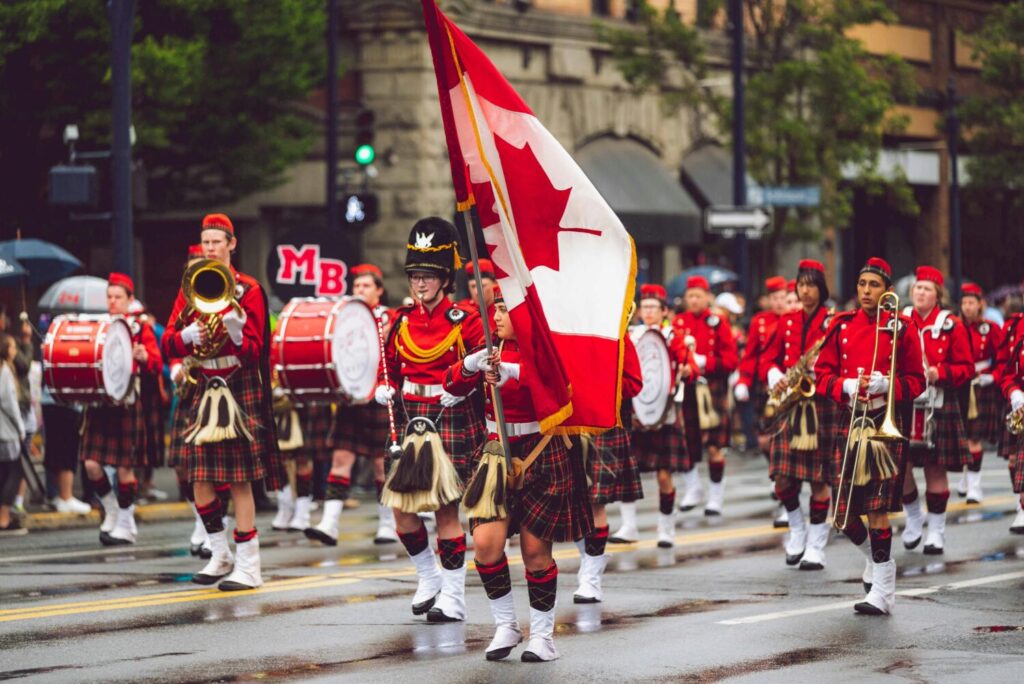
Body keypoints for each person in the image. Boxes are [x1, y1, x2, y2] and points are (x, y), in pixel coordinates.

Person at [444, 285, 593, 662]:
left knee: (534, 553)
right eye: (495, 309)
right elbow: (451, 385)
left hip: (540, 452)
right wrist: (469, 366)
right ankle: (506, 625)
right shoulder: (489, 349)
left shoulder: (545, 350)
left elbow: (560, 390)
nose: (496, 317)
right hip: (495, 453)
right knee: (486, 546)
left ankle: (543, 637)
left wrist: (512, 372)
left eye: (504, 310)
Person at [162, 213, 284, 590]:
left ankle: (250, 565)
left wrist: (234, 328)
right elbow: (166, 340)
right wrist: (185, 337)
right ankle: (220, 553)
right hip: (202, 383)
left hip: (235, 383)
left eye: (217, 241)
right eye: (205, 242)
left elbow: (254, 350)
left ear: (232, 244)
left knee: (240, 480)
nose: (210, 248)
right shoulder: (190, 286)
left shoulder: (248, 289)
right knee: (198, 477)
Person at [375, 217, 485, 621]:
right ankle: (428, 576)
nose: (420, 285)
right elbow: (389, 365)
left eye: (428, 276)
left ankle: (454, 597)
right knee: (401, 510)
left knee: (444, 512)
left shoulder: (466, 319)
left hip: (448, 417)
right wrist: (381, 386)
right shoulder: (401, 321)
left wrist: (464, 382)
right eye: (415, 276)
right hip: (410, 418)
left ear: (444, 278)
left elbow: (483, 367)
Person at [814, 257, 925, 615]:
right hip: (850, 419)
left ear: (887, 291)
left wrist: (888, 384)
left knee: (878, 509)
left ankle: (883, 589)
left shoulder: (903, 327)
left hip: (884, 424)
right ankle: (878, 564)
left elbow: (918, 381)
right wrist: (845, 384)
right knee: (844, 516)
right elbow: (820, 376)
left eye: (873, 285)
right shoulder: (841, 326)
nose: (865, 291)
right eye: (862, 284)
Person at [307, 263, 398, 545]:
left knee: (381, 466)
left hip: (380, 397)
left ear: (379, 291)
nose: (360, 290)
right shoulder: (344, 318)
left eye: (366, 286)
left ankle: (387, 524)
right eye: (356, 286)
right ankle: (329, 523)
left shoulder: (391, 318)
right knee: (341, 459)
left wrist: (387, 380)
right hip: (352, 398)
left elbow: (396, 357)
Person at [760, 260, 836, 569]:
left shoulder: (833, 321)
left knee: (819, 480)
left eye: (811, 285)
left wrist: (823, 373)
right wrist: (774, 373)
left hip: (820, 406)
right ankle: (797, 529)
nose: (805, 291)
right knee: (782, 480)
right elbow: (767, 357)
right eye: (800, 285)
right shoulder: (787, 321)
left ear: (821, 288)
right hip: (789, 404)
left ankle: (817, 545)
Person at [79, 273, 163, 546]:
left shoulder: (139, 328)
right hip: (101, 404)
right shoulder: (99, 327)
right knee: (91, 464)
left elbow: (156, 363)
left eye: (118, 297)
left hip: (127, 402)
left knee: (125, 469)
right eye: (110, 297)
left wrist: (145, 356)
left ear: (129, 299)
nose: (113, 302)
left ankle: (126, 524)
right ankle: (111, 508)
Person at [612, 284, 697, 546]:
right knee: (628, 472)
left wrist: (686, 370)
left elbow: (691, 368)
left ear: (664, 311)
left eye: (653, 307)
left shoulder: (674, 337)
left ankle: (666, 529)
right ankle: (629, 526)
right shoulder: (631, 336)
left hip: (665, 411)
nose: (648, 312)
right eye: (645, 307)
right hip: (636, 412)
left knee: (663, 475)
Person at [900, 266, 974, 555]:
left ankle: (937, 531)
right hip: (906, 403)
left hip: (937, 404)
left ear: (938, 295)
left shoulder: (951, 324)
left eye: (927, 288)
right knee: (900, 467)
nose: (920, 292)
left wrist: (939, 372)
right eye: (918, 287)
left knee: (935, 468)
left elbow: (966, 368)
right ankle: (914, 519)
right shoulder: (901, 319)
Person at [575, 332, 643, 603]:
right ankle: (587, 561)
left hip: (604, 421)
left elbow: (634, 383)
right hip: (568, 420)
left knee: (595, 502)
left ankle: (591, 577)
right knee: (572, 501)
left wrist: (599, 382)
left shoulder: (617, 333)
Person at [672, 276, 738, 515]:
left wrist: (704, 362)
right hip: (687, 389)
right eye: (690, 295)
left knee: (714, 446)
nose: (694, 300)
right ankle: (693, 488)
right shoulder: (678, 322)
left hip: (712, 389)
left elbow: (731, 360)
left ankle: (716, 497)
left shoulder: (718, 322)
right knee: (686, 444)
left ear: (708, 297)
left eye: (698, 295)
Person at [956, 283, 1003, 503]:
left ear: (980, 304)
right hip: (959, 385)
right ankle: (966, 478)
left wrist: (993, 376)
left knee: (975, 437)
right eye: (964, 302)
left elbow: (1003, 358)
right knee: (963, 437)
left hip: (981, 386)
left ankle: (974, 486)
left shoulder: (990, 328)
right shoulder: (954, 327)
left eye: (971, 303)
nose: (967, 307)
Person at [998, 307, 1024, 533]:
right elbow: (1006, 370)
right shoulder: (1015, 326)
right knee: (1016, 460)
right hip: (1021, 403)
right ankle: (1022, 504)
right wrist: (1014, 391)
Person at [0, 333, 27, 535]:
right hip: (6, 430)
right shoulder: (4, 371)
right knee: (14, 472)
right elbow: (9, 403)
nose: (15, 351)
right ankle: (4, 518)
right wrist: (20, 428)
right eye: (12, 347)